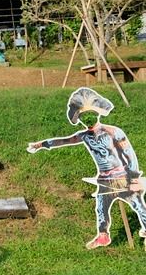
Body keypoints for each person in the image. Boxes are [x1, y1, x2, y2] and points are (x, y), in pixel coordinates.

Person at [28, 87, 146, 249]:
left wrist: (132, 175)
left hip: (121, 176)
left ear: (97, 114)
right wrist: (43, 144)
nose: (87, 119)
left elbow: (129, 153)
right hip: (104, 179)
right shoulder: (84, 136)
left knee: (137, 203)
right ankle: (103, 235)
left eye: (89, 114)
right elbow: (65, 141)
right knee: (101, 206)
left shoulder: (113, 131)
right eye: (83, 116)